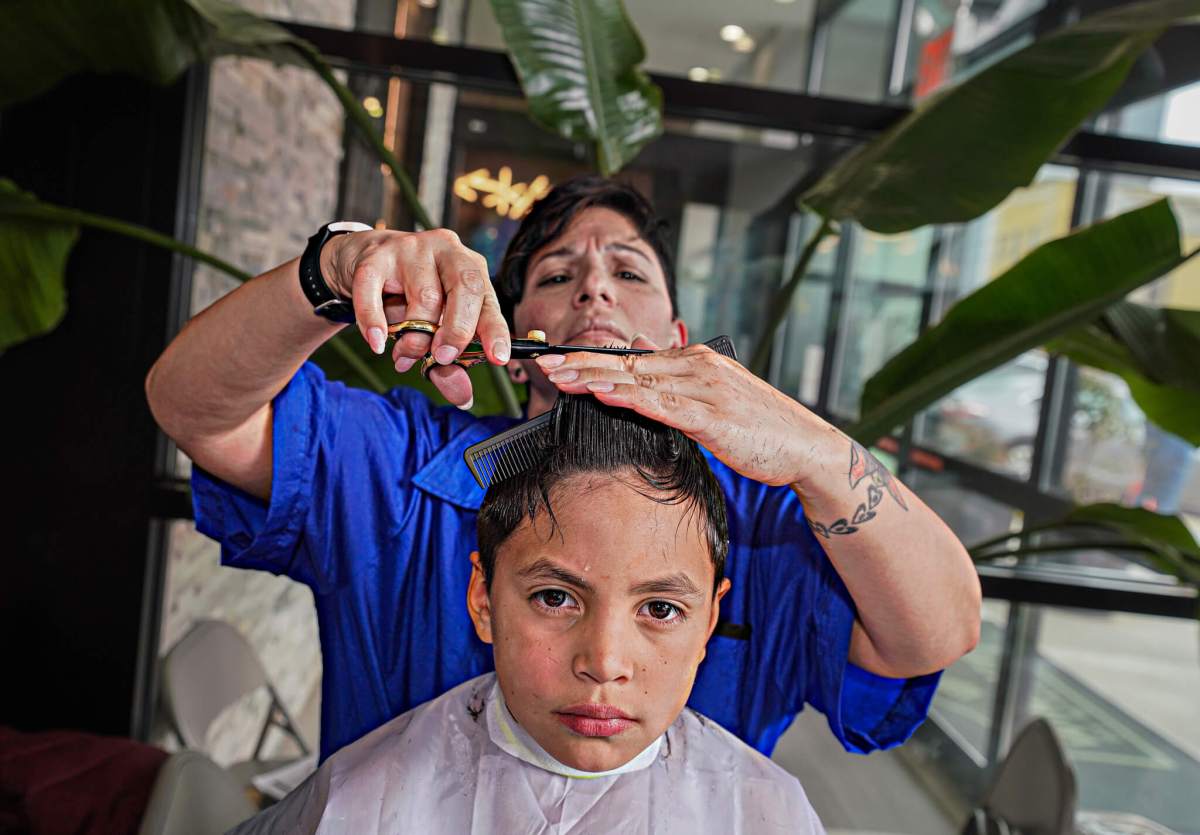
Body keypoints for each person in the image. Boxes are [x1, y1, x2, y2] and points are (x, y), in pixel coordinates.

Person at [145, 176, 981, 763]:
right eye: (557, 274)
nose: (594, 291)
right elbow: (194, 408)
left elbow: (933, 632)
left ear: (679, 335)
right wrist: (335, 271)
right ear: (513, 341)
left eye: (628, 271)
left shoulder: (767, 525)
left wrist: (816, 453)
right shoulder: (401, 469)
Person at [231, 396, 825, 834]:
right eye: (555, 598)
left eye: (661, 608)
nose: (605, 663)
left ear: (709, 624)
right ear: (484, 600)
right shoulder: (363, 799)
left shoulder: (767, 813)